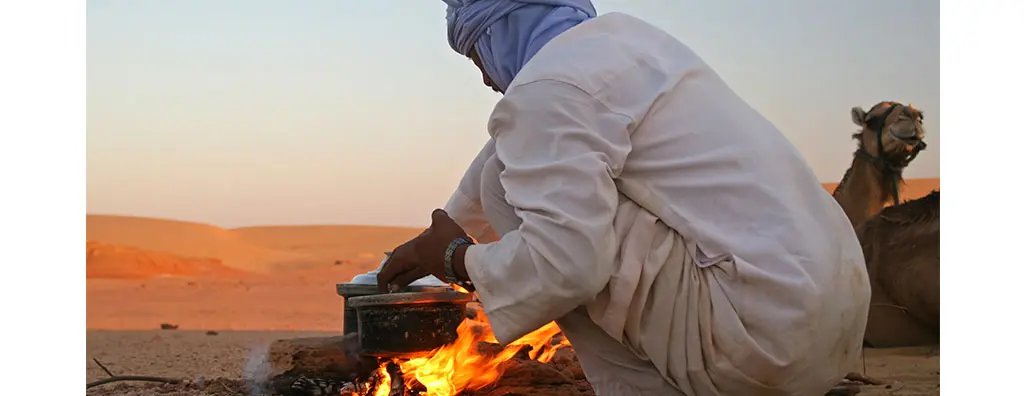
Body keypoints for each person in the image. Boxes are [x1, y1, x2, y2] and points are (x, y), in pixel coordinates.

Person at [377, 1, 871, 394]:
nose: (487, 79)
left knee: (518, 198)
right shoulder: (629, 43)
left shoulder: (549, 89)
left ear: (497, 32)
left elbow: (565, 266)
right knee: (512, 172)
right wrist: (427, 247)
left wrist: (454, 258)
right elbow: (512, 153)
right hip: (832, 327)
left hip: (759, 349)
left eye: (477, 56)